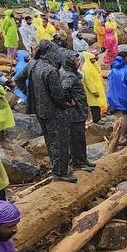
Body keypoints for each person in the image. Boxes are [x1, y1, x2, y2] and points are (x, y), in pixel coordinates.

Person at [31, 40, 76, 183]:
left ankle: (55, 167)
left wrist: (31, 96)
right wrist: (66, 104)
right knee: (60, 142)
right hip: (54, 112)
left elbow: (19, 80)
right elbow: (58, 95)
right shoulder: (50, 71)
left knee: (50, 141)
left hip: (40, 110)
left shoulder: (35, 65)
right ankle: (60, 172)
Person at [60, 51, 94, 173]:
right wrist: (70, 101)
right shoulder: (69, 76)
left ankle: (83, 160)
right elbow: (64, 88)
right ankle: (78, 162)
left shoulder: (73, 74)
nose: (78, 63)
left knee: (81, 138)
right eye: (75, 61)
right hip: (74, 113)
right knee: (76, 139)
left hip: (79, 112)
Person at [80, 51, 106, 123]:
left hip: (97, 87)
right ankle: (96, 120)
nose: (94, 59)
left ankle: (99, 118)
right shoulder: (86, 68)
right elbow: (88, 81)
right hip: (92, 90)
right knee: (94, 105)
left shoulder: (92, 65)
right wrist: (94, 91)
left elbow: (98, 71)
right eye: (92, 58)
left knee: (98, 104)